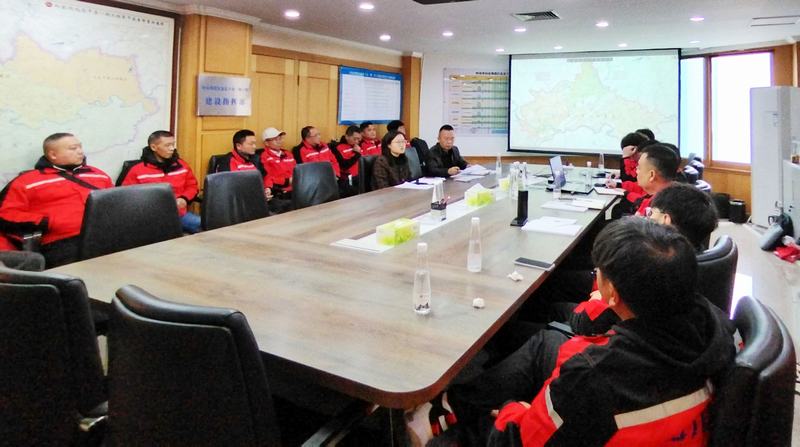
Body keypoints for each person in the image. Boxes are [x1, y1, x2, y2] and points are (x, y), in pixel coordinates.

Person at [407, 219, 735, 447]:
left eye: (599, 272)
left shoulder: (590, 377)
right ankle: (451, 404)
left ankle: (442, 418)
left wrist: (514, 409)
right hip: (660, 412)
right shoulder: (716, 321)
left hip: (601, 418)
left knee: (473, 431)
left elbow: (516, 441)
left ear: (611, 293)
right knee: (546, 343)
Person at [0, 133, 113, 267]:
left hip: (107, 234)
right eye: (73, 148)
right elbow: (5, 214)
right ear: (53, 155)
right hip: (64, 242)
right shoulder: (27, 181)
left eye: (80, 147)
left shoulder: (98, 174)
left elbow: (118, 200)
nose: (80, 152)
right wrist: (46, 222)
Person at [120, 130, 201, 233]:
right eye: (167, 145)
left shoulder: (182, 165)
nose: (172, 148)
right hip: (148, 219)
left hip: (178, 215)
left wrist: (184, 199)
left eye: (173, 144)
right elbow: (126, 196)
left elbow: (192, 186)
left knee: (207, 227)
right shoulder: (137, 170)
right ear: (153, 147)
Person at [215, 129, 276, 202]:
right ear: (238, 146)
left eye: (255, 143)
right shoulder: (226, 162)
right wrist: (257, 195)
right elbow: (229, 188)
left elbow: (266, 176)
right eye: (251, 144)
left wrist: (267, 188)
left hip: (260, 199)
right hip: (240, 203)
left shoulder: (256, 159)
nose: (254, 147)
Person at [632, 143, 680, 216]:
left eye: (639, 167)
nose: (636, 171)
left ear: (652, 175)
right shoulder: (655, 198)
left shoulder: (661, 210)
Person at [260, 127, 294, 214]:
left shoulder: (288, 154)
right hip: (281, 192)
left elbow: (297, 170)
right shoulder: (264, 157)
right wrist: (288, 181)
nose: (279, 141)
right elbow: (269, 177)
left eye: (280, 138)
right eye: (275, 139)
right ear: (266, 143)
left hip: (297, 188)